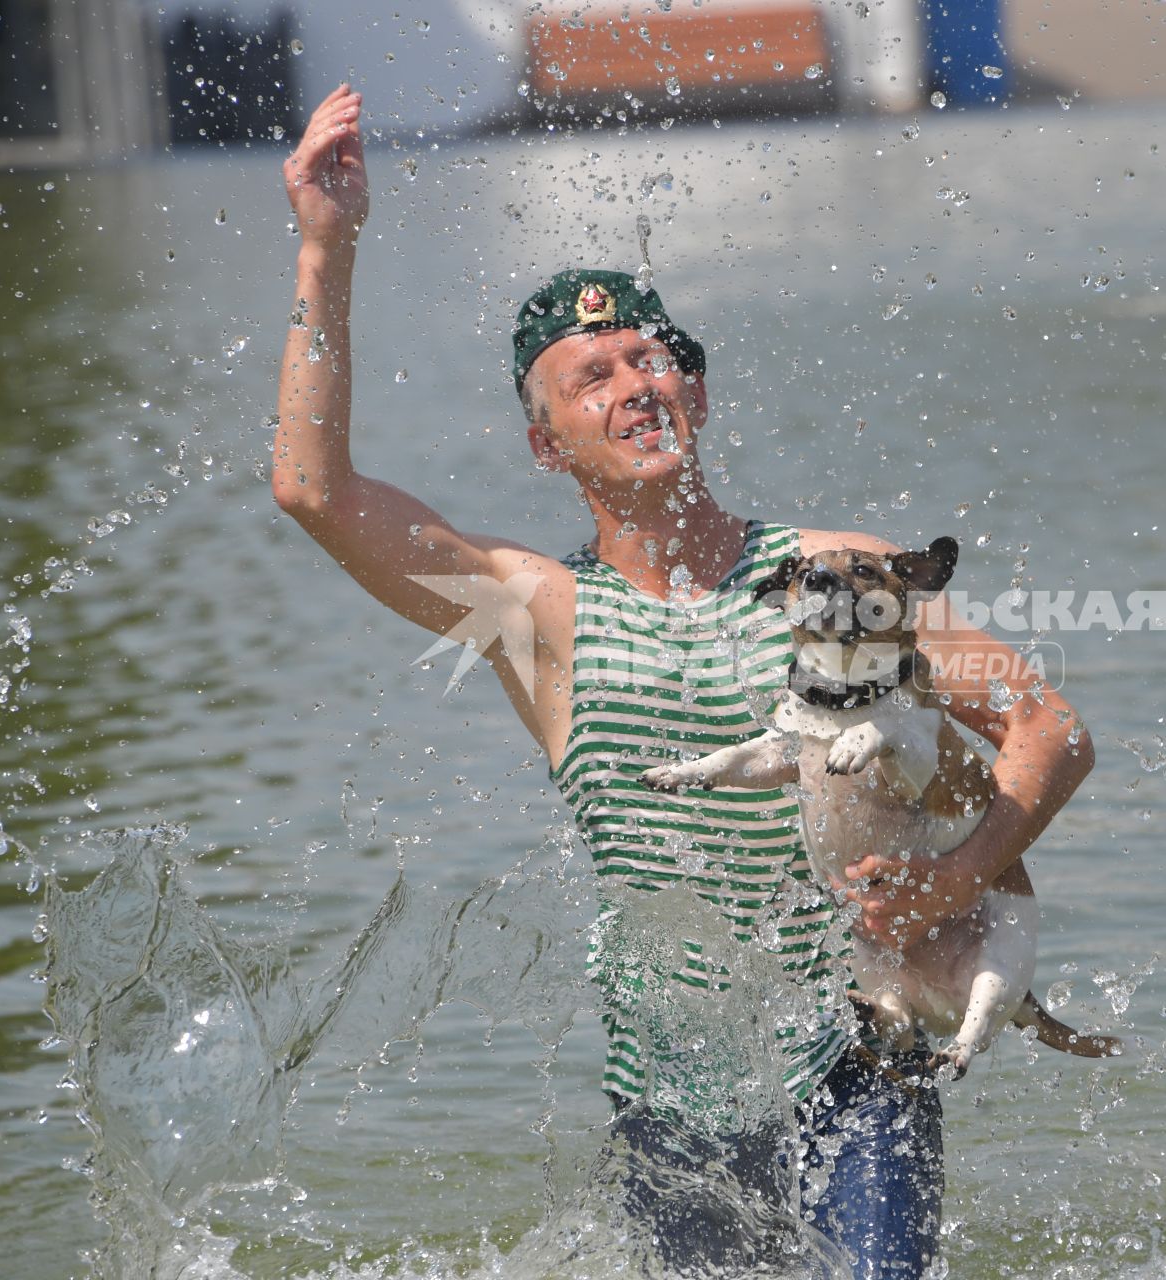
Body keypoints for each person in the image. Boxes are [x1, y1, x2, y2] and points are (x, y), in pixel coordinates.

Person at [273, 84, 1095, 1278]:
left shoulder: (837, 572)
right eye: (592, 376)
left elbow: (1045, 726)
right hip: (673, 1091)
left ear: (696, 393)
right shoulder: (535, 616)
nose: (634, 385)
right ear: (549, 442)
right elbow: (315, 491)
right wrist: (322, 245)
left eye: (648, 358)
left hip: (857, 1048)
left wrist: (951, 881)